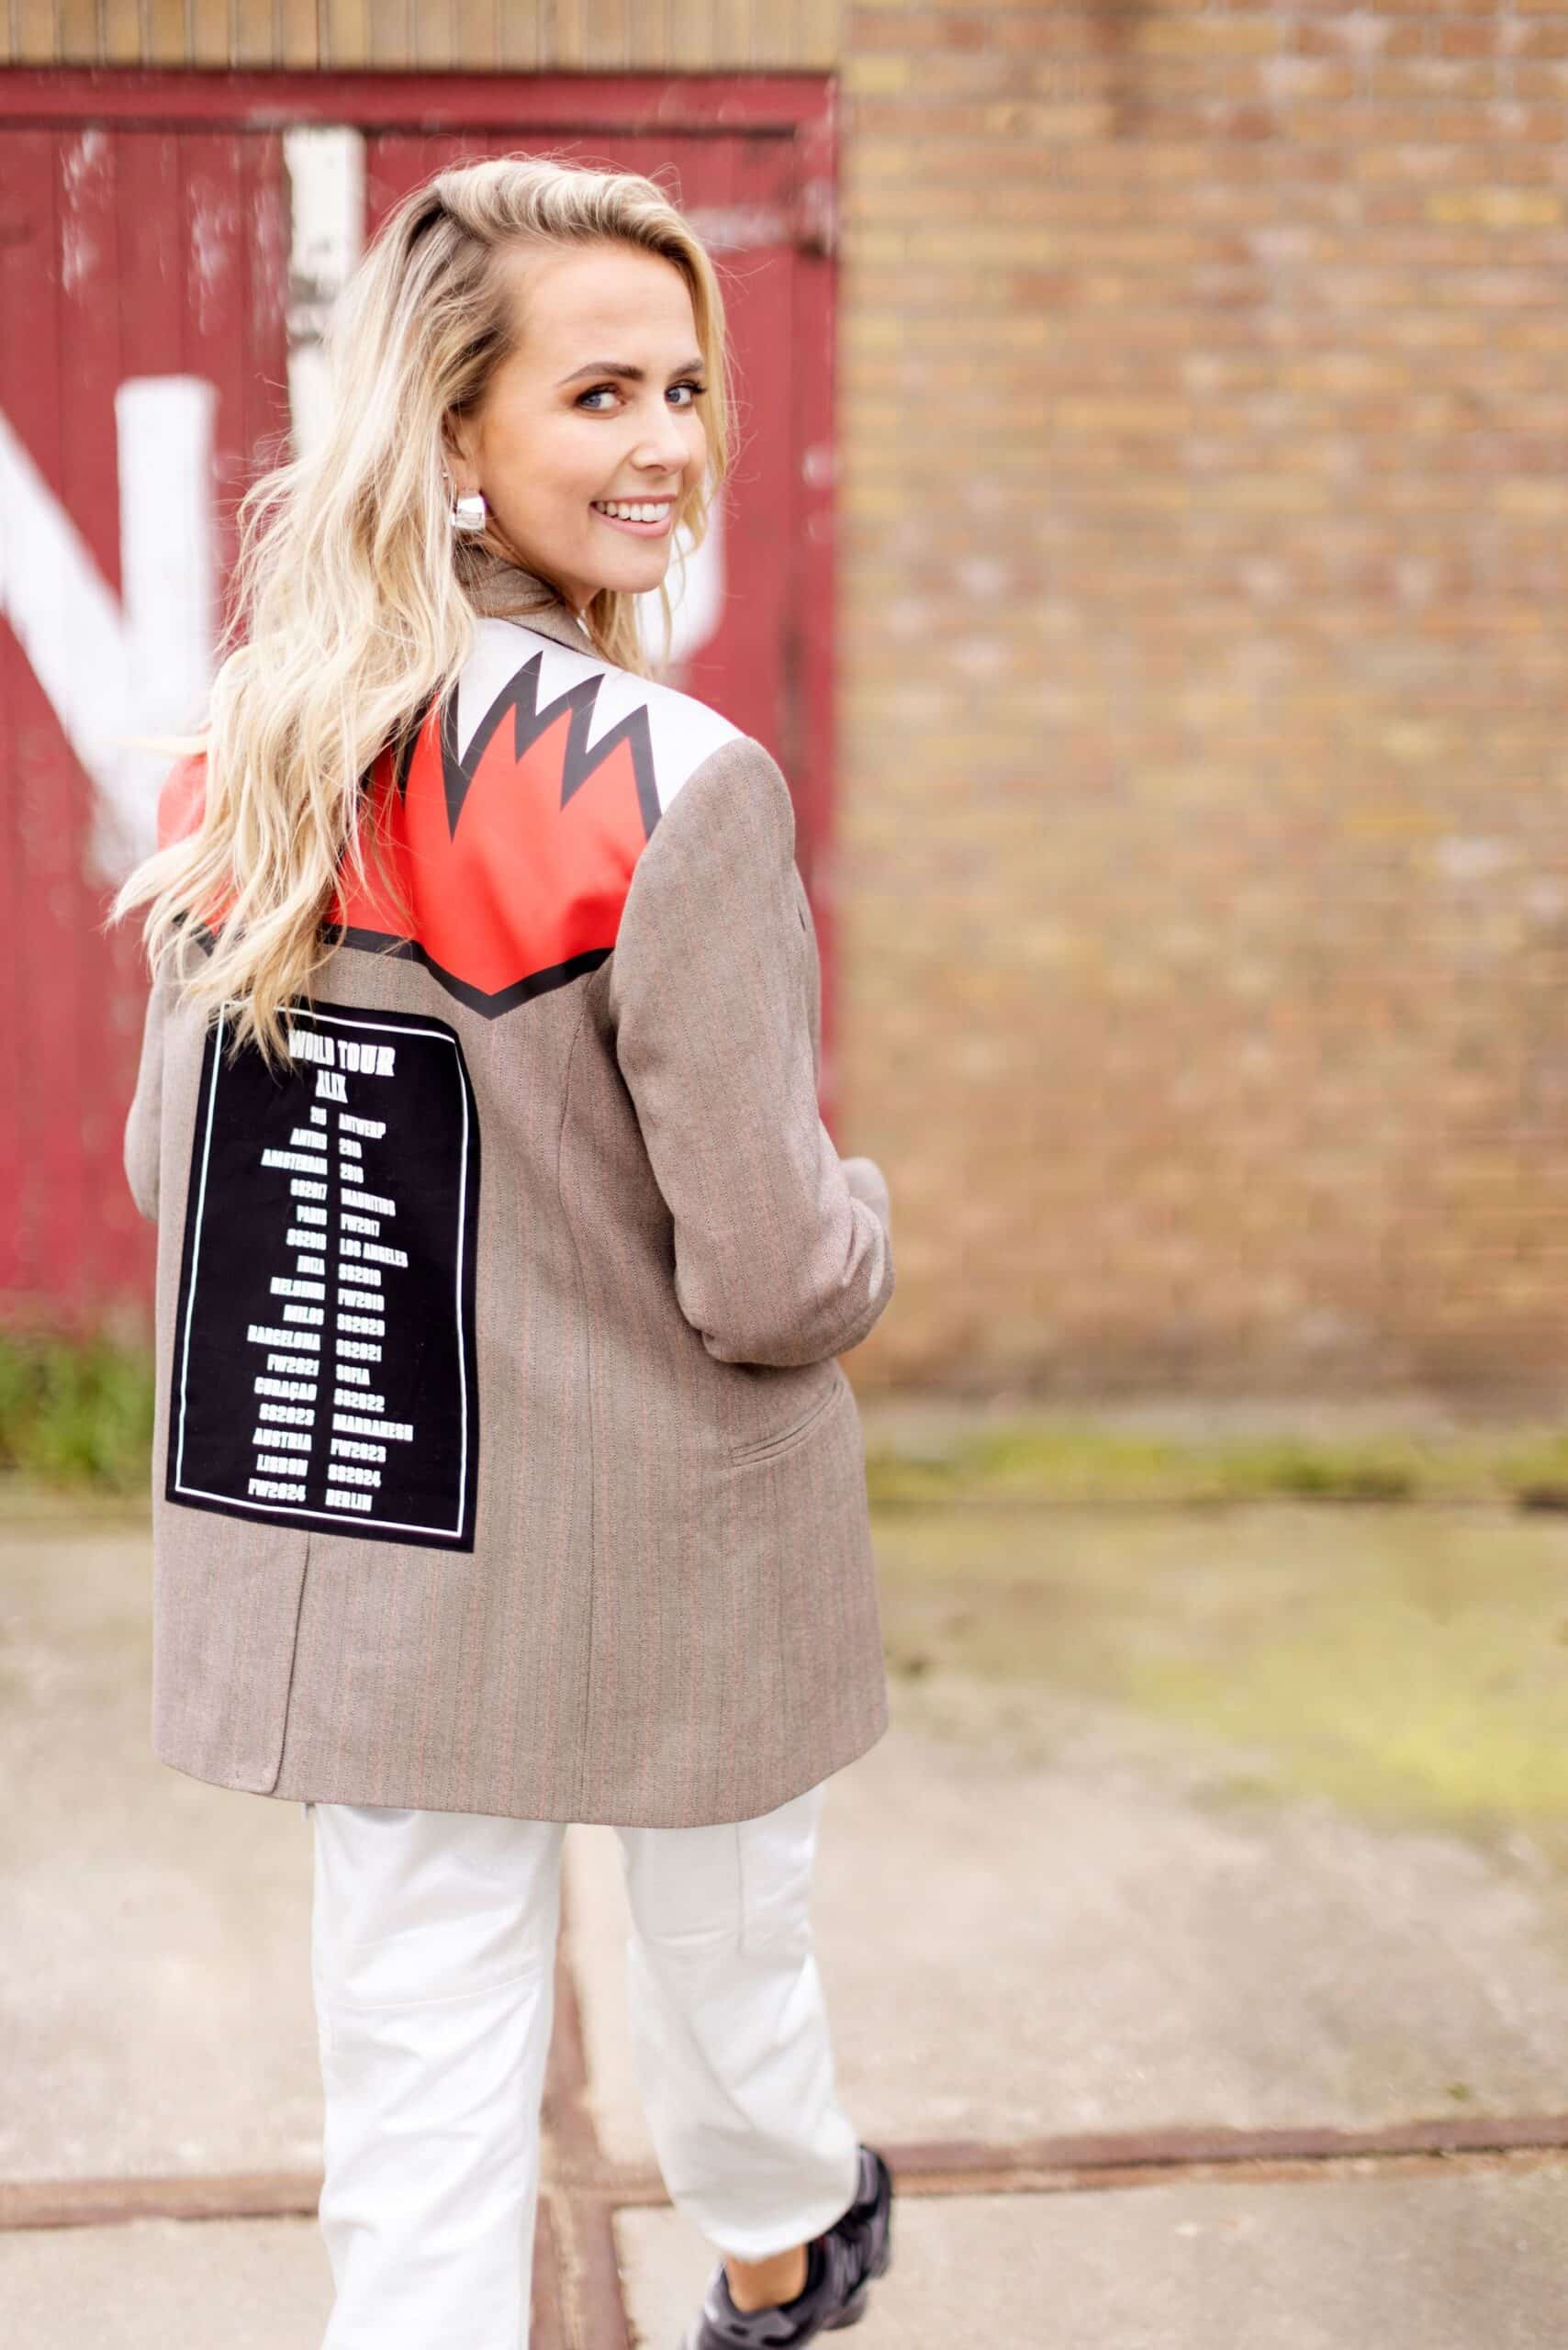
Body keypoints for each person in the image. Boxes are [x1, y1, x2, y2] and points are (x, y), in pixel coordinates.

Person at [109, 153, 897, 2350]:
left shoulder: (252, 754)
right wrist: (862, 1227)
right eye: (598, 394)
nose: (665, 444)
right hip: (668, 1534)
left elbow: (186, 1175)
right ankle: (780, 2240)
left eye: (683, 387)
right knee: (728, 1952)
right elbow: (765, 1271)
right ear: (453, 429)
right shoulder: (678, 781)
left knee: (418, 2087)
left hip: (383, 1532)